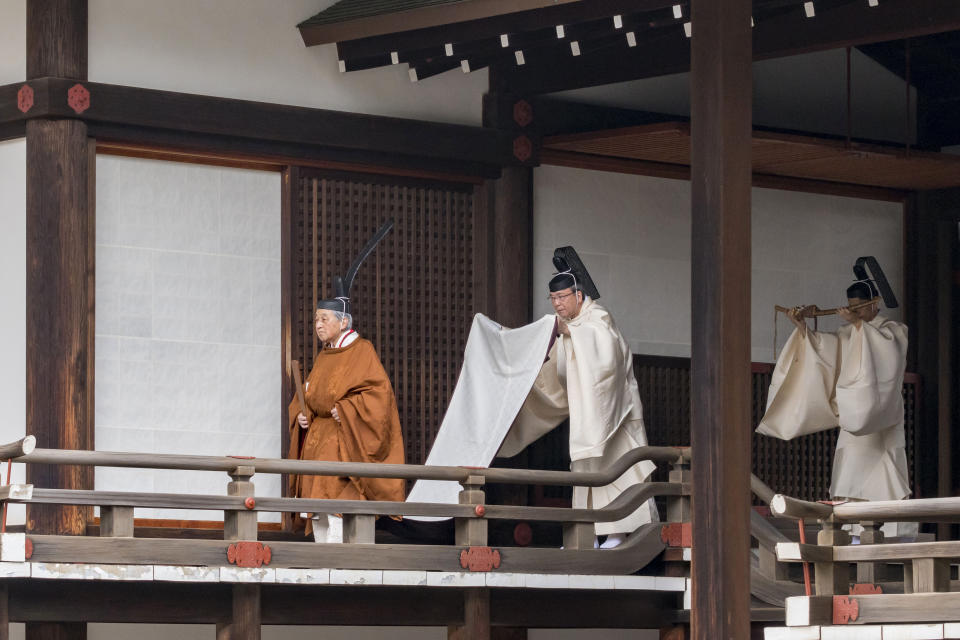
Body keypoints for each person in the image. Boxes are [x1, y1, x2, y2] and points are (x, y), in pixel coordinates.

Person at [499, 247, 658, 549]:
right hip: (588, 419)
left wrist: (571, 334)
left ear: (579, 296)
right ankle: (590, 536)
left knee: (615, 473)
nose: (557, 304)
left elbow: (605, 357)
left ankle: (617, 533)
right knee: (586, 476)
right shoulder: (572, 327)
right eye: (553, 299)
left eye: (562, 298)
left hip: (614, 419)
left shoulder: (598, 320)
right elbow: (561, 372)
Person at [757, 265, 911, 536]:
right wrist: (803, 327)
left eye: (861, 306)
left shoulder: (892, 331)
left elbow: (888, 358)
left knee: (884, 479)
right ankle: (851, 535)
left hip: (881, 420)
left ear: (874, 304)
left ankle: (891, 536)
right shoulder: (848, 332)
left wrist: (858, 325)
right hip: (853, 420)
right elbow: (826, 354)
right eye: (852, 306)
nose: (856, 311)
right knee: (850, 476)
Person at [287, 222, 405, 541]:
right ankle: (323, 563)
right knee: (319, 512)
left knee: (339, 510)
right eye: (315, 319)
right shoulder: (325, 354)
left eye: (324, 319)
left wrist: (349, 409)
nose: (318, 325)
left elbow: (379, 398)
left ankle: (341, 566)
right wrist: (300, 412)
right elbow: (310, 394)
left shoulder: (362, 350)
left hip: (344, 444)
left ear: (343, 321)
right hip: (319, 443)